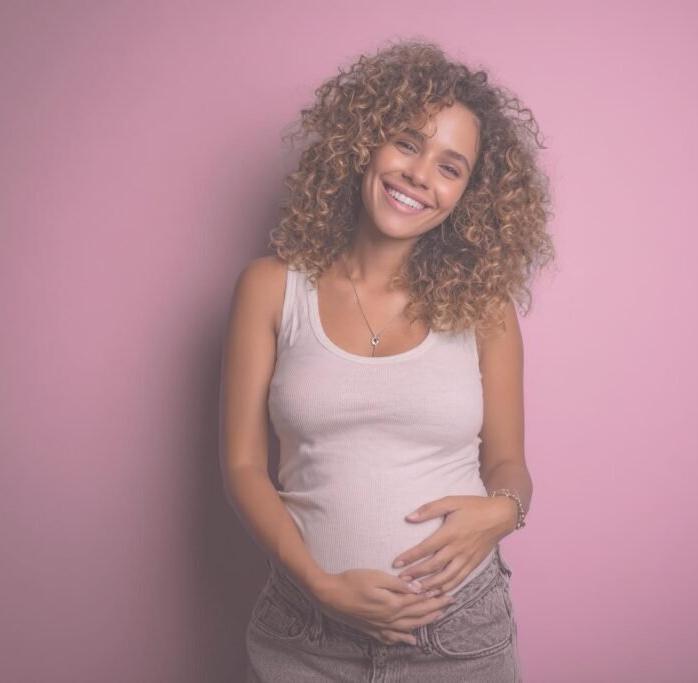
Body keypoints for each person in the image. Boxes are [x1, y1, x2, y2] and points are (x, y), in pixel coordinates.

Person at [221, 38, 555, 682]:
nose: (419, 174)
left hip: (459, 638)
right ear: (364, 143)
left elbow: (508, 462)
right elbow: (241, 466)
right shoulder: (269, 287)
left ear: (469, 197)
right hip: (306, 637)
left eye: (450, 166)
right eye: (407, 142)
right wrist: (318, 584)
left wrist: (504, 511)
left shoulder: (485, 310)